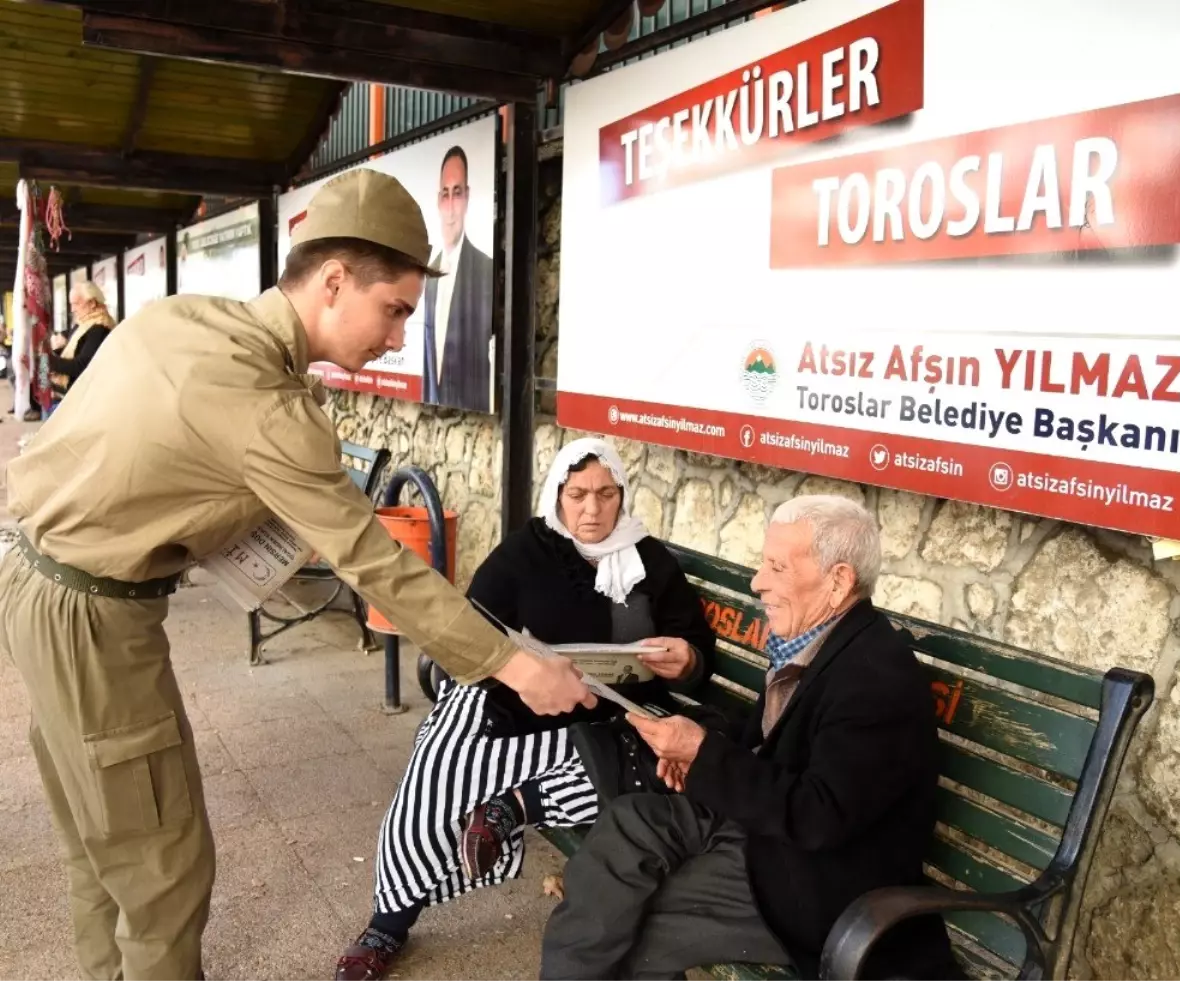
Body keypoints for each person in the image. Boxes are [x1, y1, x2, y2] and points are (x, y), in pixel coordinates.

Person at [0, 167, 595, 981]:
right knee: (164, 871)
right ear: (334, 281)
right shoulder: (266, 404)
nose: (395, 338)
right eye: (393, 311)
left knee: (101, 845)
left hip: (39, 583)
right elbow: (378, 563)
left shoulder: (185, 319)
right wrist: (515, 664)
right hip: (95, 620)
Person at [335, 437, 717, 981]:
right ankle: (388, 922)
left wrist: (688, 659)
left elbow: (697, 647)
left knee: (631, 767)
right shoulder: (527, 550)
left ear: (621, 495)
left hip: (603, 719)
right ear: (558, 493)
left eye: (606, 494)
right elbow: (470, 627)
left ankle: (513, 807)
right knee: (439, 767)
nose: (592, 509)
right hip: (509, 701)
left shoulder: (648, 559)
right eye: (579, 494)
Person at [539, 495, 961, 981]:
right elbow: (769, 745)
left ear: (838, 581)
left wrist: (705, 756)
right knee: (629, 823)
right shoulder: (816, 640)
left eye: (777, 567)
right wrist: (696, 751)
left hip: (814, 882)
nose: (758, 581)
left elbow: (817, 817)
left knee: (638, 926)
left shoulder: (874, 678)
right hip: (764, 828)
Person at [421, 145, 493, 412]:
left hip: (471, 414)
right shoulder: (429, 274)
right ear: (438, 200)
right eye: (445, 194)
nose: (451, 207)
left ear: (468, 198)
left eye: (458, 193)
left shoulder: (485, 270)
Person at [48, 280, 115, 411]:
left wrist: (48, 359)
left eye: (76, 304)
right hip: (63, 394)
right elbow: (74, 352)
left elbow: (81, 365)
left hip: (78, 401)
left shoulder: (99, 328)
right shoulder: (82, 324)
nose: (72, 309)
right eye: (71, 304)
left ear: (92, 303)